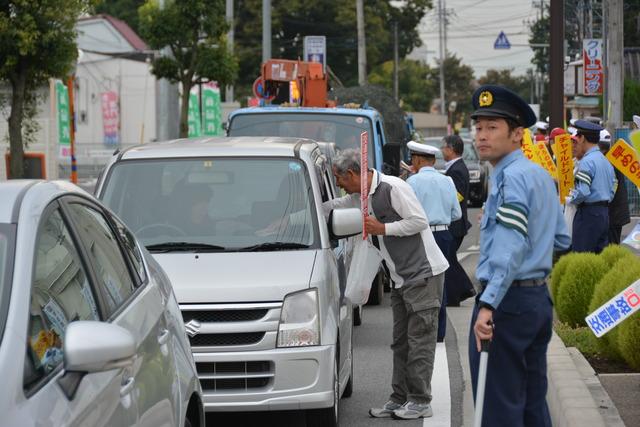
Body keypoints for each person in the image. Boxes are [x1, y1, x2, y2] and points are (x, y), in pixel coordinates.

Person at [469, 84, 571, 426]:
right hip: (537, 300)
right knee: (532, 403)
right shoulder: (541, 175)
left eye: (492, 127)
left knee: (499, 407)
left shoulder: (508, 178)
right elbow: (561, 237)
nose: (482, 135)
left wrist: (488, 304)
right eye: (479, 127)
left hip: (506, 304)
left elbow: (510, 249)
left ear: (517, 134)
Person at [322, 148, 448, 420]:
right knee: (400, 343)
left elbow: (418, 221)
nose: (339, 185)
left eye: (339, 178)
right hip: (400, 278)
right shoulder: (361, 196)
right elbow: (336, 207)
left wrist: (383, 228)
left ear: (353, 173)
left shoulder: (393, 187)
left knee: (419, 342)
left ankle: (420, 400)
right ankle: (399, 398)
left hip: (423, 274)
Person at [405, 141, 461, 342]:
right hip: (444, 234)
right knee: (441, 284)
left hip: (421, 235)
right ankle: (439, 332)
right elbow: (457, 213)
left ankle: (421, 329)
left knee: (419, 282)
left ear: (418, 160)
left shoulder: (412, 182)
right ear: (434, 160)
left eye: (413, 159)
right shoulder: (447, 180)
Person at [568, 120, 616, 253]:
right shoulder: (606, 161)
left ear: (582, 138)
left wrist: (571, 199)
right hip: (604, 213)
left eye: (577, 138)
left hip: (588, 214)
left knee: (581, 257)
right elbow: (613, 188)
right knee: (599, 258)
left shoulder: (587, 162)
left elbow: (583, 192)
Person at [441, 135, 477, 306]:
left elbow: (459, 194)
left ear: (452, 149)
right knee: (449, 259)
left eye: (444, 147)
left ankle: (462, 291)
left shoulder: (457, 169)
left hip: (455, 223)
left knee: (448, 260)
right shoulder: (454, 167)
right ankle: (461, 292)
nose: (442, 150)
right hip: (453, 222)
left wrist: (442, 202)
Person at [598, 129, 630, 244]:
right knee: (613, 243)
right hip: (616, 212)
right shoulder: (613, 158)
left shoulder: (607, 160)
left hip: (613, 213)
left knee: (611, 245)